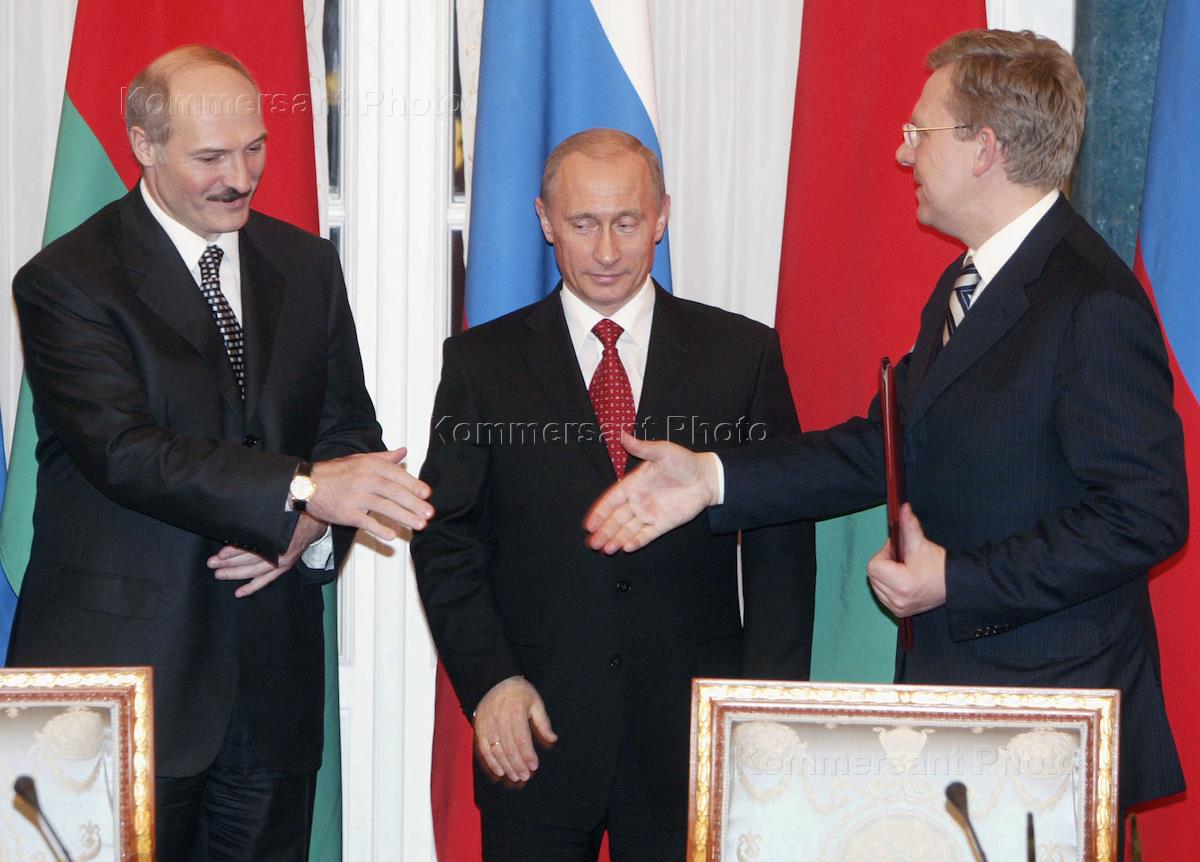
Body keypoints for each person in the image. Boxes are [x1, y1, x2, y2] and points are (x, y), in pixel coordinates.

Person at [586, 29, 1189, 829]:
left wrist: (957, 580)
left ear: (984, 148)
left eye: (920, 132)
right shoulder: (967, 283)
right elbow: (883, 445)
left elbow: (1144, 515)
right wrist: (711, 479)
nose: (904, 155)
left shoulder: (1091, 302)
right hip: (965, 715)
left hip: (1051, 729)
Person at [8, 46, 433, 859]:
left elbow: (347, 433)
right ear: (144, 145)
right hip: (110, 694)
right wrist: (301, 490)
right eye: (210, 158)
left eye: (255, 148)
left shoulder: (306, 265)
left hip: (269, 694)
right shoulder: (67, 279)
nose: (240, 177)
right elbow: (125, 452)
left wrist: (307, 527)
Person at [411, 128, 815, 861]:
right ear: (544, 220)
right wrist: (490, 681)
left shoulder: (741, 355)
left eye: (627, 223)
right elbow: (448, 540)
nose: (605, 251)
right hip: (535, 729)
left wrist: (765, 712)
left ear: (662, 217)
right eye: (582, 223)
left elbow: (780, 551)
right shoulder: (481, 364)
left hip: (694, 738)